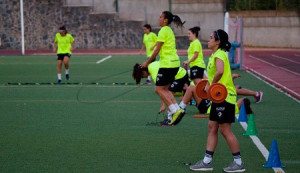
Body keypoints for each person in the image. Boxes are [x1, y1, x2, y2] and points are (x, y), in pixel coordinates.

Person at [190, 29, 245, 172]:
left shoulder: (220, 54)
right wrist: (209, 85)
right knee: (212, 127)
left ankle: (238, 163)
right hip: (218, 97)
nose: (208, 40)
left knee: (225, 130)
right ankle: (207, 162)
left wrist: (210, 84)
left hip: (225, 97)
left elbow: (220, 71)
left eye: (210, 38)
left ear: (218, 41)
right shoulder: (215, 54)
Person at [140, 11, 185, 126]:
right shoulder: (169, 30)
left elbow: (156, 51)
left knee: (158, 89)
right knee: (165, 89)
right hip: (175, 64)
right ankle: (175, 112)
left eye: (160, 17)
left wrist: (147, 62)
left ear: (165, 20)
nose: (158, 18)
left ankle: (175, 111)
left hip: (167, 64)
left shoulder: (163, 31)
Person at [133, 61, 189, 125]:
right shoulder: (152, 65)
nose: (144, 77)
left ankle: (172, 116)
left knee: (166, 91)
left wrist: (163, 105)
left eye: (142, 76)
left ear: (143, 72)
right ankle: (176, 113)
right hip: (180, 73)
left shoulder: (154, 72)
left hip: (180, 75)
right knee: (168, 91)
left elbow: (161, 90)